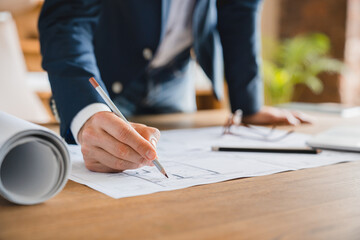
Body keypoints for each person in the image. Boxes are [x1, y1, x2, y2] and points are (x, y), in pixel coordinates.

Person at [38, 0, 310, 173]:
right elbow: (67, 19)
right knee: (102, 154)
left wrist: (248, 106)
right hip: (104, 75)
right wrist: (87, 109)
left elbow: (239, 9)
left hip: (176, 75)